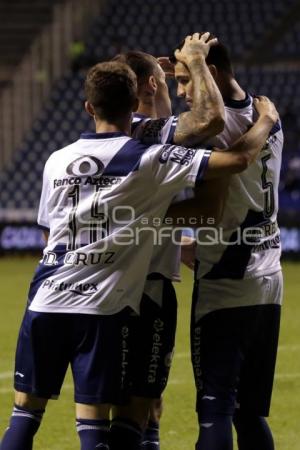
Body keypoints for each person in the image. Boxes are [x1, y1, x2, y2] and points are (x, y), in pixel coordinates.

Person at [0, 59, 278, 450]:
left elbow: (50, 232)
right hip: (112, 301)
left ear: (88, 107)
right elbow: (222, 147)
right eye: (168, 84)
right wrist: (265, 118)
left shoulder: (57, 159)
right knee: (123, 415)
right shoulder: (151, 152)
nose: (175, 91)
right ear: (140, 94)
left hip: (47, 297)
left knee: (29, 416)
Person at [167, 35, 284, 450]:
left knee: (215, 410)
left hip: (225, 281)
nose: (180, 93)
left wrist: (154, 225)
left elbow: (211, 206)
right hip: (269, 277)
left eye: (184, 81)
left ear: (209, 74)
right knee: (251, 412)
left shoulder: (215, 130)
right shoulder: (265, 112)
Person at [113, 32, 227, 450]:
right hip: (144, 287)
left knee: (143, 397)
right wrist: (195, 66)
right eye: (167, 81)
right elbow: (209, 120)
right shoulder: (150, 132)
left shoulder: (122, 130)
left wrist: (175, 239)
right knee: (135, 401)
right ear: (152, 85)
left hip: (125, 275)